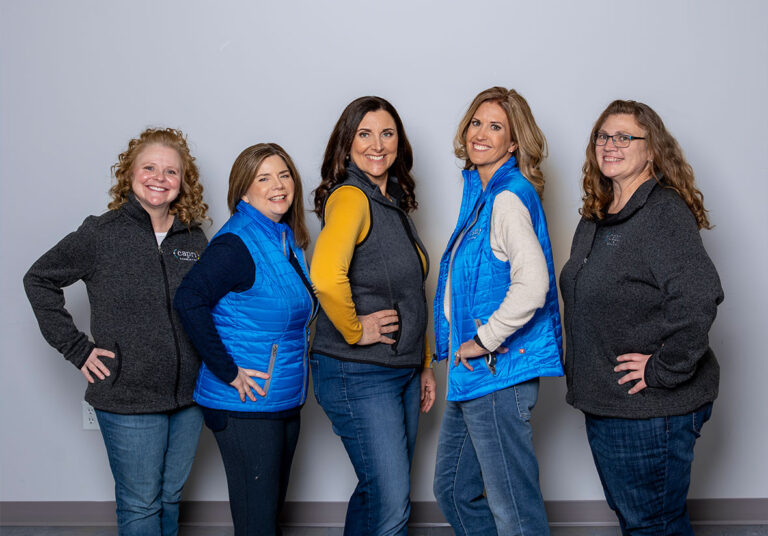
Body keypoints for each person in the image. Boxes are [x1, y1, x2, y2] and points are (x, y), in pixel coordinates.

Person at [23, 128, 209, 536]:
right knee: (141, 505)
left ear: (183, 182)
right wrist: (77, 349)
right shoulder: (100, 234)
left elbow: (212, 306)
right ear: (129, 174)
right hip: (127, 396)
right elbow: (39, 279)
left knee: (170, 498)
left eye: (171, 171)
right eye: (149, 167)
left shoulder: (195, 240)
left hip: (192, 396)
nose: (159, 178)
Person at [559, 100, 723, 535]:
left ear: (652, 150)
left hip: (650, 410)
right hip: (610, 403)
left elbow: (700, 296)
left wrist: (662, 369)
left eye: (624, 137)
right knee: (642, 521)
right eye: (603, 136)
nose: (610, 145)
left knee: (652, 525)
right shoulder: (597, 216)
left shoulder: (662, 213)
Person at [432, 87, 563, 535]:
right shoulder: (481, 196)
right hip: (472, 374)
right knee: (452, 490)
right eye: (476, 122)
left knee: (514, 508)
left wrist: (485, 339)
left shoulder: (507, 197)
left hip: (497, 372)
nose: (481, 133)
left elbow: (534, 285)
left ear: (513, 143)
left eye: (495, 127)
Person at [174, 143, 317, 536]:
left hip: (281, 399)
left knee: (267, 518)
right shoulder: (236, 243)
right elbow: (188, 300)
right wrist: (228, 371)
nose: (278, 185)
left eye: (284, 175)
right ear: (243, 190)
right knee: (257, 524)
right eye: (264, 178)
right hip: (245, 405)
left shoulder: (282, 238)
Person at [310, 96, 435, 536]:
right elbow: (325, 275)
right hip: (358, 372)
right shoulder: (351, 197)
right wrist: (354, 329)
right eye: (364, 134)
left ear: (399, 142)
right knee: (390, 503)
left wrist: (422, 364)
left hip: (398, 371)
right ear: (346, 145)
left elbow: (411, 293)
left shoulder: (391, 203)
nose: (377, 144)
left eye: (387, 133)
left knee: (375, 492)